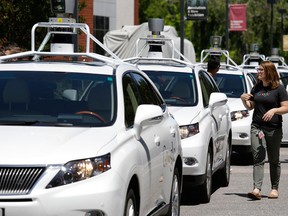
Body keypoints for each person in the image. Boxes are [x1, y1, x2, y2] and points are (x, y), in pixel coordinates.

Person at [240, 60, 288, 200]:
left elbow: (286, 107)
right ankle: (256, 189)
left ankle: (274, 188)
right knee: (258, 157)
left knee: (274, 159)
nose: (258, 72)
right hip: (257, 127)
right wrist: (244, 99)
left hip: (274, 129)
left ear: (269, 72)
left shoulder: (279, 89)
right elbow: (250, 106)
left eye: (261, 70)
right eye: (258, 69)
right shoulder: (257, 87)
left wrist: (274, 110)